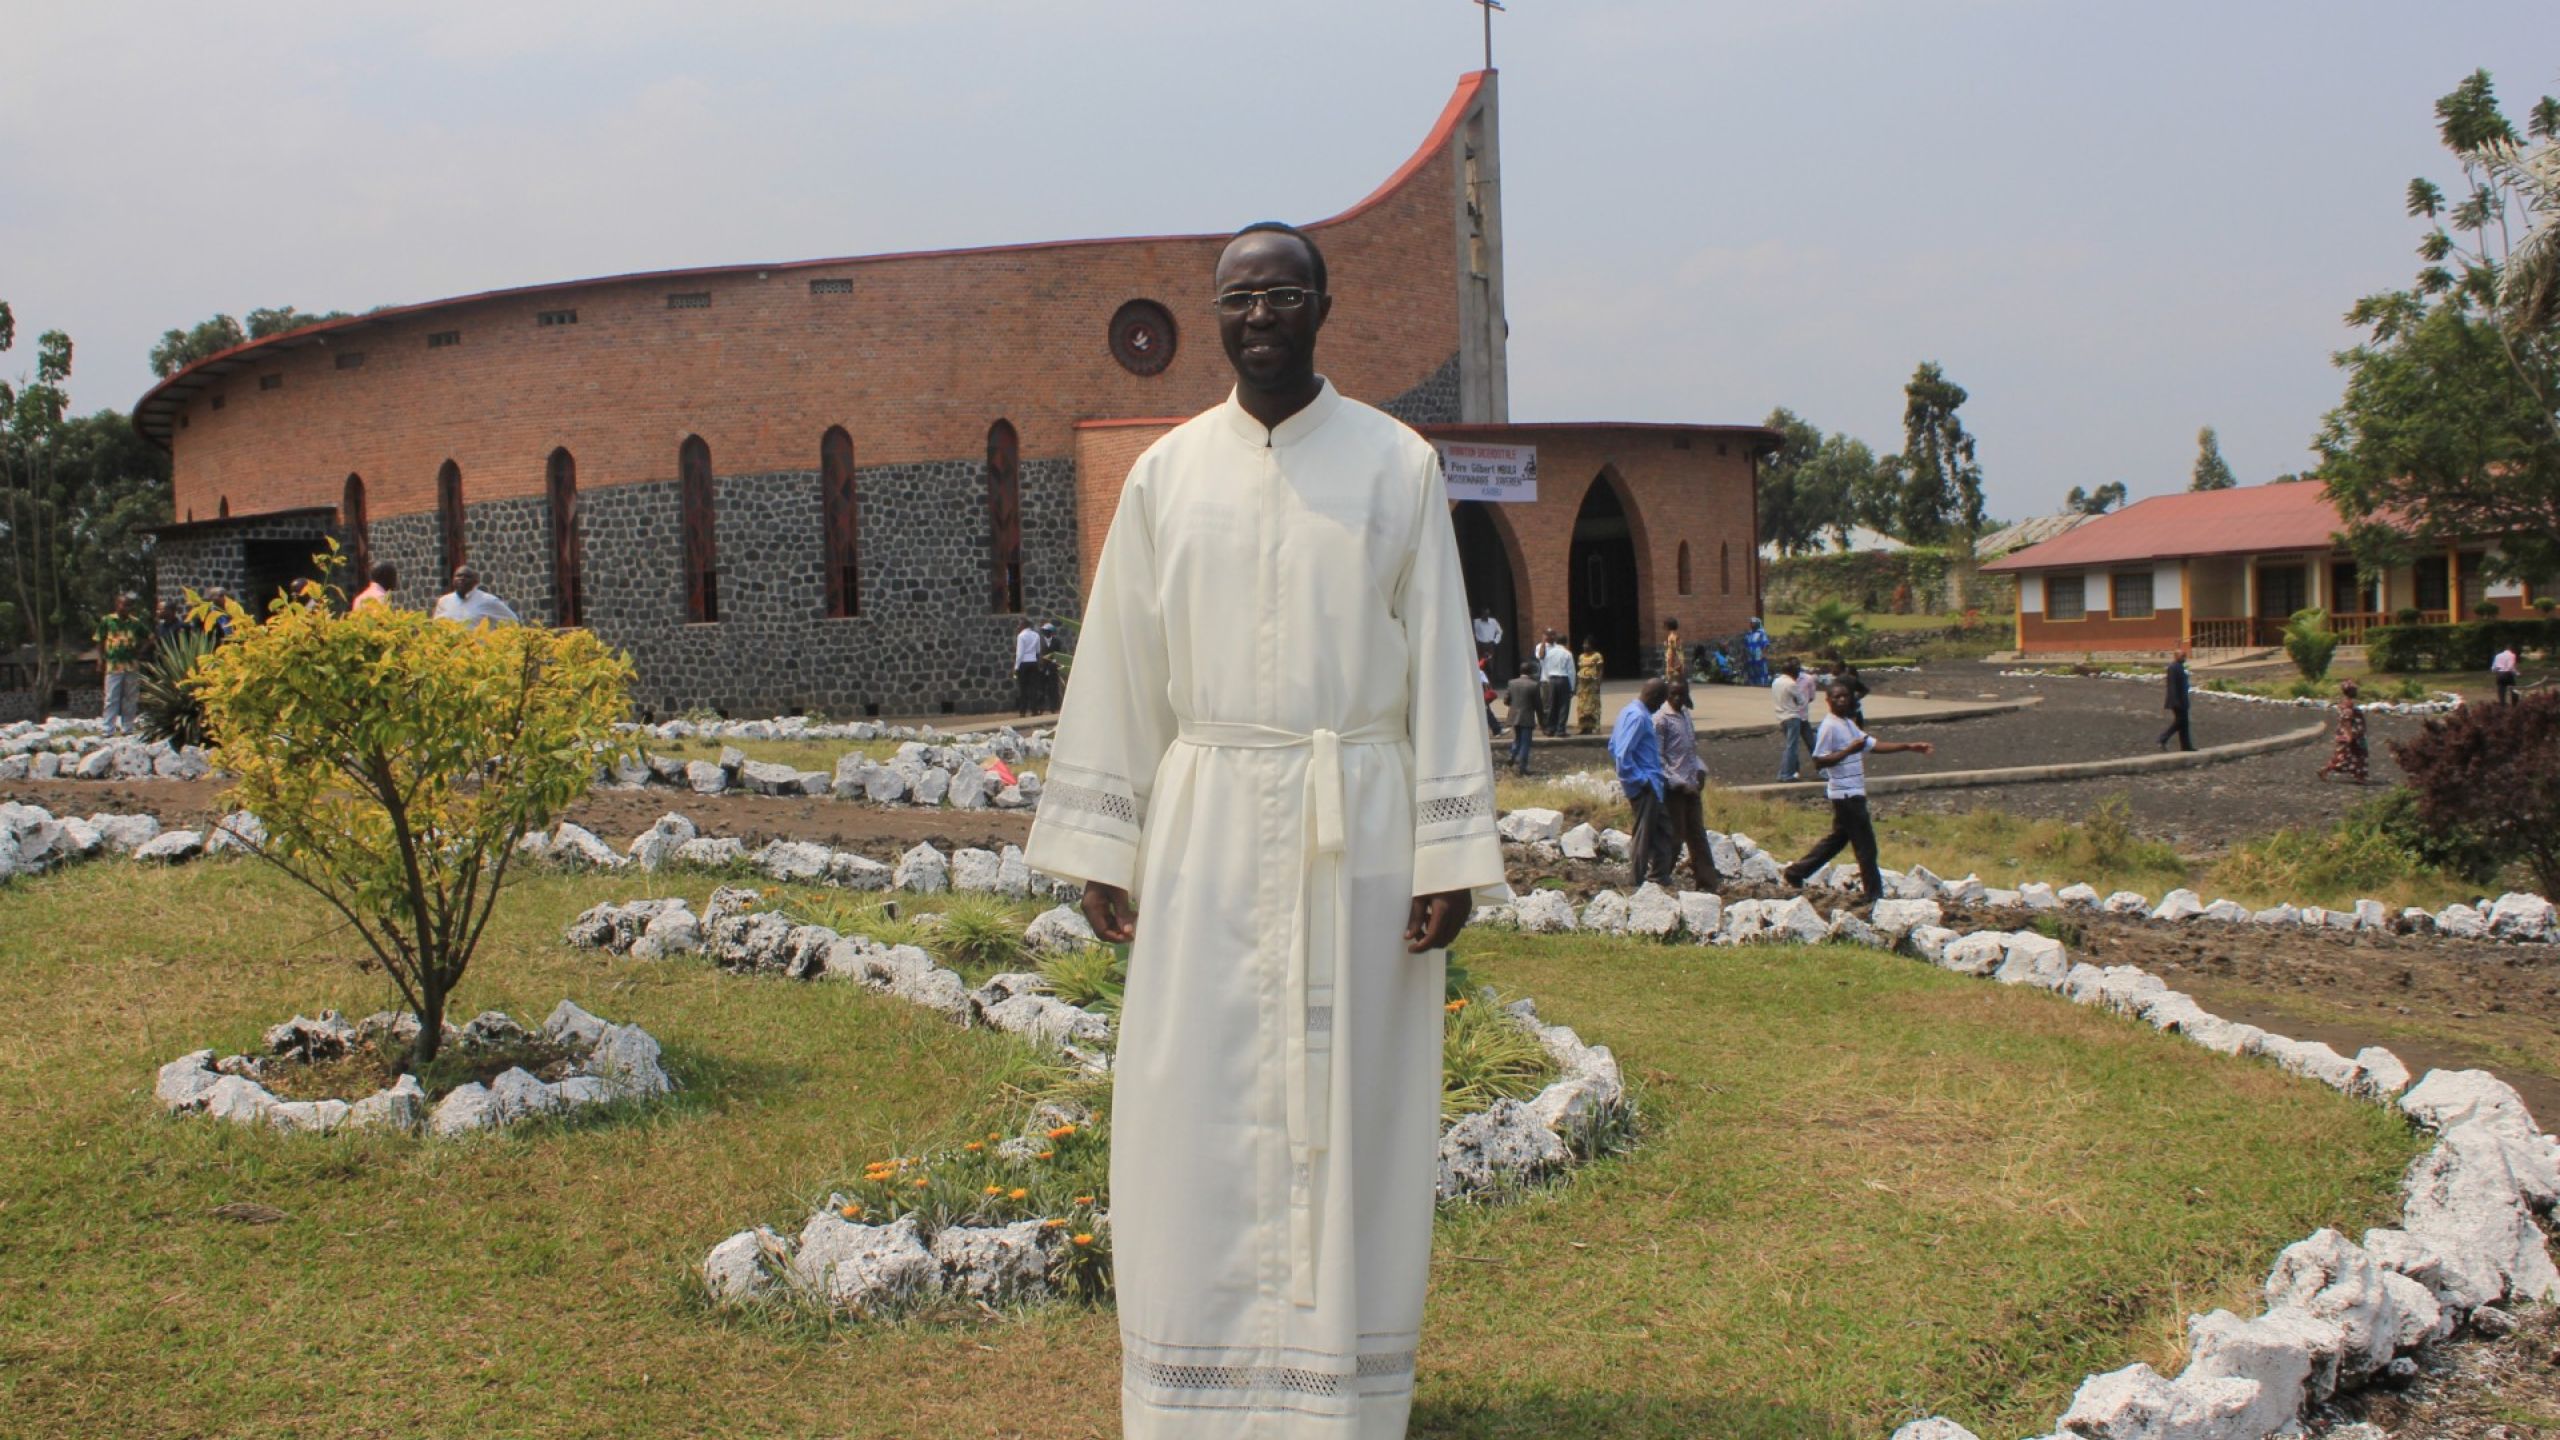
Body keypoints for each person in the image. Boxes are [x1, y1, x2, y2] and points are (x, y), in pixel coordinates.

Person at [1020, 220, 1502, 1438]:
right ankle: (1195, 1397)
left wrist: (1449, 849)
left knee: (1354, 1110)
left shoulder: (1398, 466)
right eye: (1239, 298)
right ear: (1214, 316)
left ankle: (1334, 1392)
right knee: (1194, 1101)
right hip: (1208, 828)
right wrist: (1102, 842)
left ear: (1323, 308)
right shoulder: (1167, 475)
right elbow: (1125, 662)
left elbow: (1444, 657)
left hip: (1360, 822)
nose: (1260, 316)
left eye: (1284, 294)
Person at [1782, 679, 1934, 905]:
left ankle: (1796, 872)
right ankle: (1874, 895)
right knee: (1866, 847)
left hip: (1853, 792)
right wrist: (1847, 751)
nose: (1842, 700)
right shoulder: (1829, 726)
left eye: (1845, 696)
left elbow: (1872, 745)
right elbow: (1819, 761)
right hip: (1846, 795)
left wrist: (1909, 746)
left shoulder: (1848, 724)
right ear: (1828, 701)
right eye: (1837, 697)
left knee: (1836, 840)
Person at [1609, 678, 1678, 889]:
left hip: (1652, 784)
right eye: (1660, 701)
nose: (1660, 707)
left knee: (1664, 830)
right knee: (1644, 833)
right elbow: (1622, 754)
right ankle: (1636, 880)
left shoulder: (1628, 711)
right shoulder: (1638, 717)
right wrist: (1641, 779)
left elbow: (1613, 745)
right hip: (1645, 786)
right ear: (1654, 697)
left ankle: (1659, 876)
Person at [1654, 680, 1719, 892]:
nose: (1678, 699)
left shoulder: (1685, 715)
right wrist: (1678, 783)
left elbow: (1691, 752)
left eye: (1682, 695)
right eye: (1673, 695)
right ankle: (1660, 877)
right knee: (1676, 835)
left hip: (1691, 784)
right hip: (1674, 788)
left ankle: (1708, 882)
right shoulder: (1661, 719)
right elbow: (1659, 758)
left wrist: (1700, 771)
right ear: (1666, 695)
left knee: (1697, 834)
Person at [93, 594, 149, 737]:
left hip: (131, 665)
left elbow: (151, 637)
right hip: (113, 664)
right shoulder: (107, 621)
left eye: (129, 605)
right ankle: (107, 729)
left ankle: (127, 728)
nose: (126, 608)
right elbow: (99, 639)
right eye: (123, 605)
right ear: (117, 605)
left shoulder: (135, 623)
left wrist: (141, 651)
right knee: (111, 697)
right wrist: (100, 660)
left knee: (130, 697)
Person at [432, 566, 521, 628]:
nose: (462, 578)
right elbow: (437, 626)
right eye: (458, 576)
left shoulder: (488, 601)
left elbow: (513, 621)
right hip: (451, 653)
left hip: (478, 653)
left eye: (467, 576)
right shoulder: (444, 601)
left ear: (475, 581)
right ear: (453, 580)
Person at [2319, 680, 2370, 784]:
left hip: (2352, 734)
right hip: (2351, 735)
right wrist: (2349, 735)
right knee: (2354, 755)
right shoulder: (2348, 704)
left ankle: (2325, 770)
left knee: (2346, 756)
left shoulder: (2346, 702)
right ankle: (2359, 777)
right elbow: (2346, 720)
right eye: (2354, 690)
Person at [1772, 658, 1811, 782]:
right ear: (1793, 671)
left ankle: (1784, 773)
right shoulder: (1791, 684)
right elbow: (1802, 701)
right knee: (1792, 747)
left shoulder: (1776, 681)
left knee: (1789, 746)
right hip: (1792, 717)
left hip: (1781, 717)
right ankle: (1786, 774)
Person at [1502, 660, 1541, 776]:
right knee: (1525, 743)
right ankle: (1522, 768)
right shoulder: (1534, 685)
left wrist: (1514, 705)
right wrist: (1543, 723)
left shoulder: (1512, 683)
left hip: (1514, 716)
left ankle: (1512, 755)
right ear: (1530, 672)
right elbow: (1538, 705)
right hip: (1527, 717)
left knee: (1517, 739)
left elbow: (1506, 700)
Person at [1537, 627, 1575, 736]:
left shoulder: (1550, 653)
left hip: (1551, 679)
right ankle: (1560, 729)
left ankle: (1550, 728)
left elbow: (1545, 666)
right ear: (1566, 642)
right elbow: (1571, 672)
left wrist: (1549, 679)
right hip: (1563, 679)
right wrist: (1572, 688)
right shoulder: (1567, 653)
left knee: (1552, 704)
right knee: (1563, 705)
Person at [2158, 648, 2194, 752]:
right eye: (2182, 656)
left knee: (2184, 723)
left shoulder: (2180, 667)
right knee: (2179, 722)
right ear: (2176, 656)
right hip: (2177, 701)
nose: (2184, 658)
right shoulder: (2173, 668)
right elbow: (2172, 686)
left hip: (2183, 700)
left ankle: (2186, 746)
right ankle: (2162, 738)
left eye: (2185, 656)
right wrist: (2175, 701)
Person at [1573, 637, 1605, 735]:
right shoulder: (1581, 657)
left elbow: (1600, 670)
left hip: (1592, 685)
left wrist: (1599, 682)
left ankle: (1596, 727)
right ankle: (1585, 728)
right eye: (1584, 644)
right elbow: (1579, 669)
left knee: (1593, 706)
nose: (1584, 646)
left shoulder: (1597, 656)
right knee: (1582, 707)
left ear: (1591, 645)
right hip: (1582, 686)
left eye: (1586, 644)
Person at [1014, 618, 1044, 715]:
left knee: (1023, 688)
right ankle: (1034, 710)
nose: (1018, 627)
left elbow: (1020, 653)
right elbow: (1038, 651)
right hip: (1033, 662)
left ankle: (1023, 711)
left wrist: (1016, 667)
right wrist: (1039, 662)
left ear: (1024, 625)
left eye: (1020, 625)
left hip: (1023, 663)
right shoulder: (1036, 635)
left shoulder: (1021, 636)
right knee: (1033, 688)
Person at [1742, 617, 1772, 687]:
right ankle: (1753, 686)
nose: (1751, 624)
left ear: (1757, 624)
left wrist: (1763, 654)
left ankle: (1763, 685)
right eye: (1751, 623)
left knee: (1761, 671)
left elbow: (1766, 644)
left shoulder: (1761, 633)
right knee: (1751, 671)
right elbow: (1745, 645)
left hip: (1759, 656)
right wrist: (1744, 655)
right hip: (1750, 657)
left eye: (1753, 623)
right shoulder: (1749, 634)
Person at [1661, 617, 1683, 682]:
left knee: (1671, 674)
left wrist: (1673, 661)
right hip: (1677, 657)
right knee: (1678, 674)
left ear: (1667, 626)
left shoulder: (1671, 636)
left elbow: (1673, 649)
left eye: (1664, 626)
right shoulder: (1676, 635)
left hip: (1673, 658)